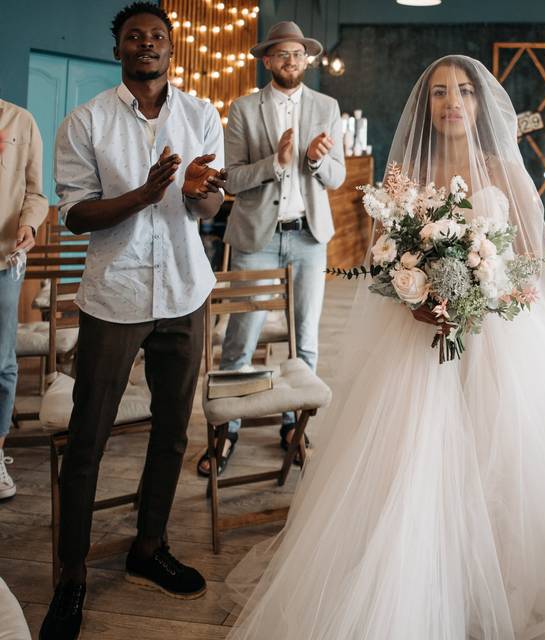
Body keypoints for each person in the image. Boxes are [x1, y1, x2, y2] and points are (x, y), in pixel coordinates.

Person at [223, 55, 545, 639]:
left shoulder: (502, 166)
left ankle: (499, 578)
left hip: (496, 333)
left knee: (502, 454)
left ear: (479, 104)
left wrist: (491, 287)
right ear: (426, 105)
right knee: (411, 455)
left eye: (465, 92)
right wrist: (413, 287)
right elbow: (385, 251)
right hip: (416, 330)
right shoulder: (408, 167)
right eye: (441, 93)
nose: (452, 102)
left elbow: (529, 258)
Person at [40, 3, 226, 639]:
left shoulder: (200, 115)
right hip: (114, 296)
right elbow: (76, 216)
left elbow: (206, 205)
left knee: (174, 431)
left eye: (157, 37)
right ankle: (71, 578)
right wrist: (146, 194)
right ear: (117, 48)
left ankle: (149, 548)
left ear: (172, 49)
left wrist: (202, 190)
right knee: (89, 437)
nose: (146, 44)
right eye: (134, 37)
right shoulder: (86, 121)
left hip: (184, 290)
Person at [197, 21, 345, 476]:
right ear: (267, 61)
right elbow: (232, 179)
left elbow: (336, 179)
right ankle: (228, 431)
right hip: (256, 241)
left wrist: (317, 161)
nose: (291, 62)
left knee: (306, 338)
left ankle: (292, 427)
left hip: (308, 238)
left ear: (306, 59)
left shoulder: (327, 106)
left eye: (298, 55)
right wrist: (275, 163)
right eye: (282, 55)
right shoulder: (243, 108)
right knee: (241, 339)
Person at [0, 101, 47, 502]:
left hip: (3, 261)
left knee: (1, 363)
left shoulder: (21, 121)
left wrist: (29, 222)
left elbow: (36, 191)